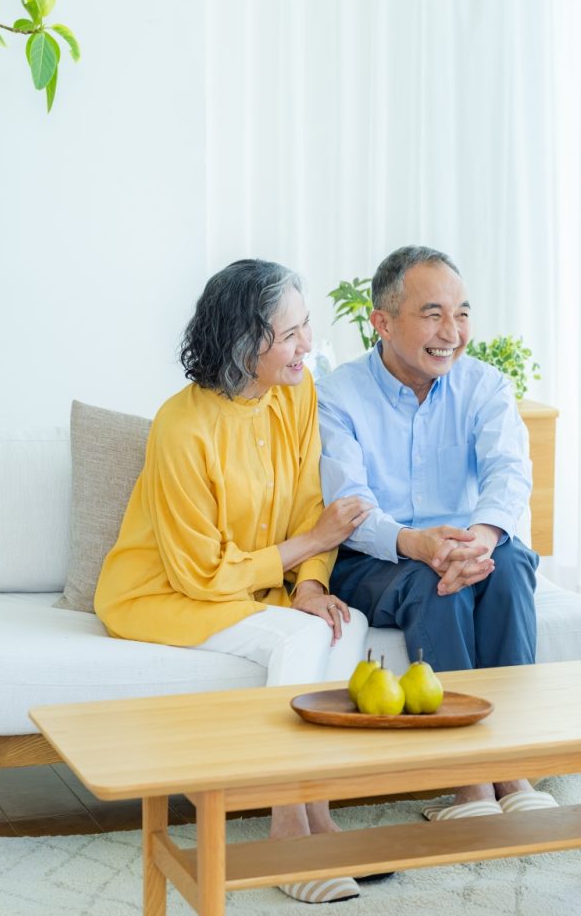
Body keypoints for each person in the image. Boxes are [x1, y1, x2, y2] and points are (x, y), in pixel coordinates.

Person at [95, 259, 374, 905]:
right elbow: (199, 572)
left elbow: (310, 498)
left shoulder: (297, 392)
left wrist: (309, 583)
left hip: (259, 586)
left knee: (344, 621)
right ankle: (282, 828)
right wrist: (310, 546)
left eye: (307, 327)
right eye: (292, 333)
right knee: (296, 643)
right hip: (167, 593)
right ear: (247, 342)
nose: (309, 344)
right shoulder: (181, 426)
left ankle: (318, 811)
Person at [317, 245, 554, 820]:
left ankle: (512, 763)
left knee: (512, 566)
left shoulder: (485, 385)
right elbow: (349, 504)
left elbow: (508, 470)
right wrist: (413, 543)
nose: (453, 332)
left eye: (462, 313)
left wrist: (481, 537)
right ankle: (468, 780)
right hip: (377, 554)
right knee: (431, 583)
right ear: (382, 322)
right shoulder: (337, 394)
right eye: (432, 314)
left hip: (463, 545)